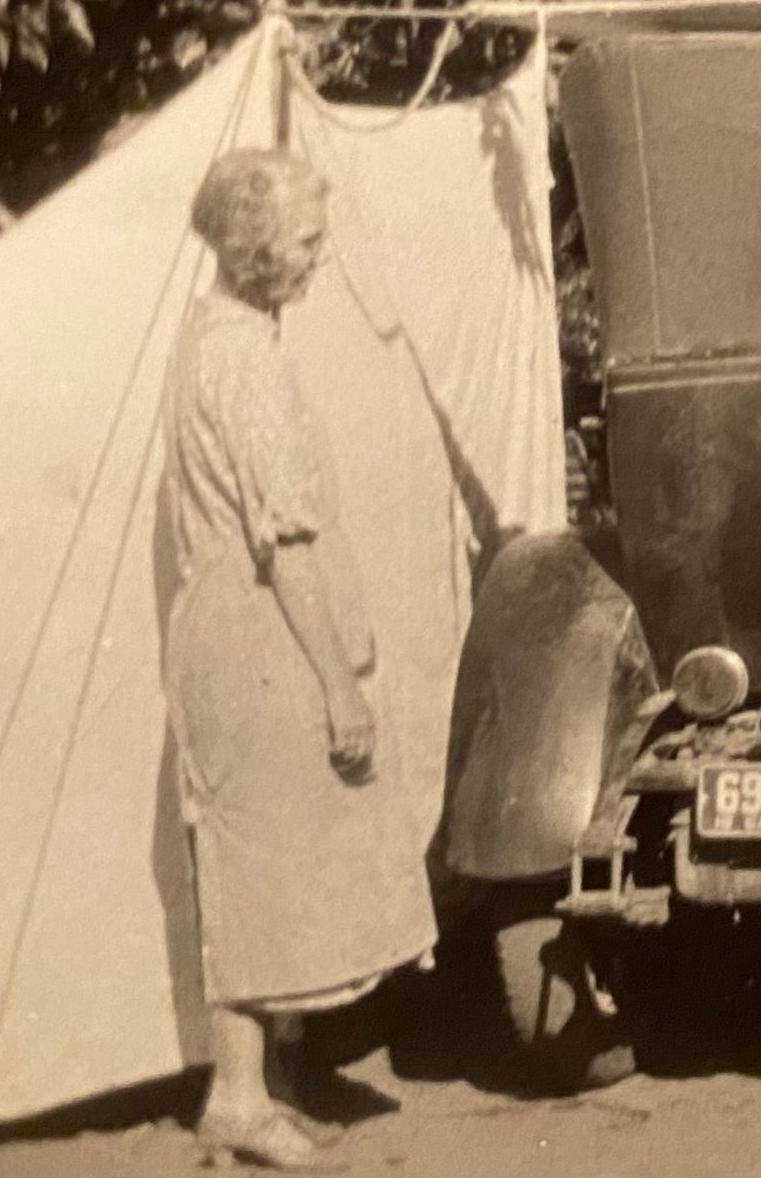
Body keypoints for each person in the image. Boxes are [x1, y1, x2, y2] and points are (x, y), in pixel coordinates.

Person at [163, 149, 435, 1169]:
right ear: (260, 247)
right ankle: (237, 1096)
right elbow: (287, 541)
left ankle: (265, 1077)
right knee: (259, 859)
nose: (319, 257)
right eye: (308, 241)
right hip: (260, 630)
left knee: (261, 849)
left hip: (230, 622)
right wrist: (337, 685)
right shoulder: (245, 362)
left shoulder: (211, 336)